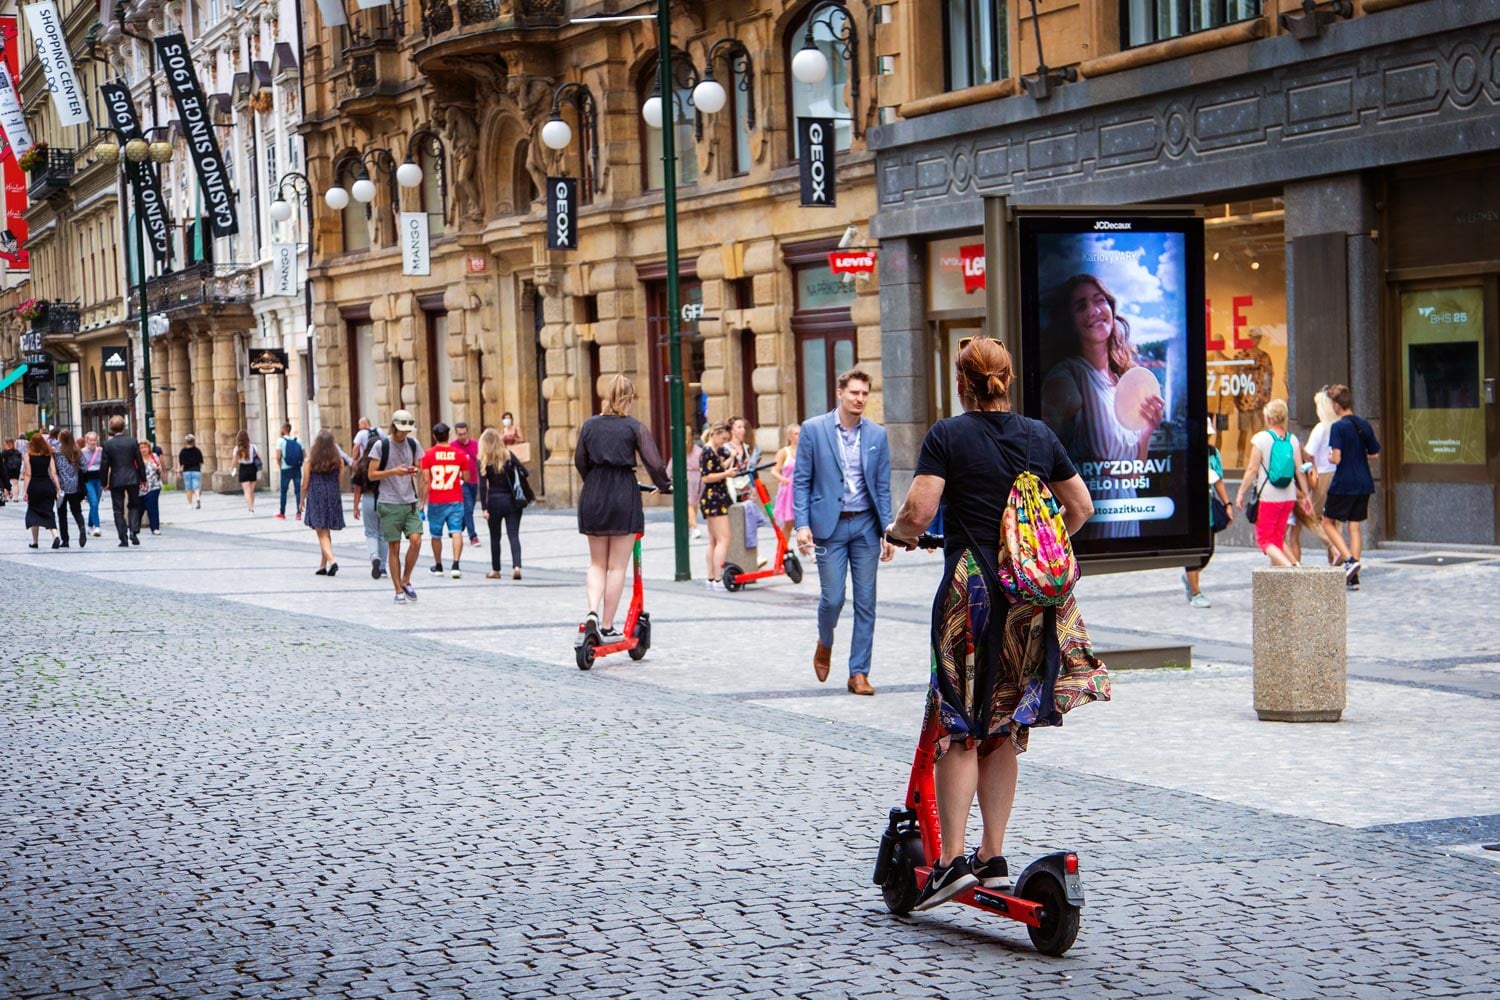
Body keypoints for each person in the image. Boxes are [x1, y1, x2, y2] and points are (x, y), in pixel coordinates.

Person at [885, 336, 1108, 909]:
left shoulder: (948, 435)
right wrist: (1031, 548)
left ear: (963, 383)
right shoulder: (1039, 436)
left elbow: (919, 511)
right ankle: (993, 852)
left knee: (960, 725)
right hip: (1029, 600)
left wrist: (897, 536)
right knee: (1004, 723)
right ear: (1007, 380)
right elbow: (1079, 508)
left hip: (973, 589)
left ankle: (951, 861)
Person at [793, 368, 894, 697]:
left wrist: (888, 531)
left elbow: (882, 488)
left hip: (865, 524)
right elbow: (802, 481)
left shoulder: (877, 435)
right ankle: (825, 641)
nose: (859, 399)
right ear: (840, 393)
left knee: (866, 602)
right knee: (833, 598)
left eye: (864, 393)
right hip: (828, 527)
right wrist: (802, 524)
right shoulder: (813, 430)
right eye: (854, 393)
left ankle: (859, 672)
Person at [1040, 275, 1166, 540]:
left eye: (1099, 301)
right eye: (1081, 306)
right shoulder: (1066, 376)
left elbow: (1133, 476)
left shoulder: (1121, 382)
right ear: (1070, 322)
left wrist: (1147, 431)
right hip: (1093, 510)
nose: (1094, 311)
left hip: (1125, 509)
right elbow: (1051, 456)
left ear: (1111, 307)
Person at [575, 375, 671, 639]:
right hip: (622, 493)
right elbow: (653, 462)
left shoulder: (589, 425)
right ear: (629, 399)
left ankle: (592, 612)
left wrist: (594, 482)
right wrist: (664, 484)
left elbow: (580, 460)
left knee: (597, 563)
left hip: (594, 491)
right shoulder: (633, 427)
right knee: (617, 566)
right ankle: (606, 625)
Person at [1234, 399, 1316, 569]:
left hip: (1269, 496)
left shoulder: (1261, 439)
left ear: (1268, 418)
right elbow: (1300, 470)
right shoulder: (1292, 440)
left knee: (1264, 540)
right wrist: (1306, 496)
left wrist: (1241, 492)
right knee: (1278, 539)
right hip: (1288, 497)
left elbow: (1252, 469)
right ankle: (1290, 569)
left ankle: (1291, 569)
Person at [1288, 389, 1355, 569]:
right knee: (1336, 518)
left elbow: (1309, 454)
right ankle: (1335, 560)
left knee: (1313, 517)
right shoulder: (1341, 425)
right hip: (1342, 473)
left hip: (1324, 475)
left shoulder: (1321, 428)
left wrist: (1301, 451)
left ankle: (1335, 547)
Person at [1323, 382, 1379, 591]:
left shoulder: (1338, 427)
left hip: (1343, 483)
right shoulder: (1363, 424)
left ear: (1336, 405)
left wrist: (1330, 455)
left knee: (1327, 522)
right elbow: (1374, 453)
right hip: (1364, 482)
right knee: (1354, 526)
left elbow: (1336, 458)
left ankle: (1348, 560)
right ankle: (1353, 577)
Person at [368, 410, 426, 604]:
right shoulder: (381, 445)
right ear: (393, 426)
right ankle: (397, 588)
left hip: (410, 501)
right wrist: (394, 471)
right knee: (394, 546)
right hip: (389, 502)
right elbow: (371, 474)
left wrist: (414, 470)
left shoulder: (413, 443)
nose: (404, 434)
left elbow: (419, 466)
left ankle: (406, 579)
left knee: (416, 540)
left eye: (407, 431)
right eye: (401, 430)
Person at [1184, 419, 1232, 608]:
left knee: (1208, 549)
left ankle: (1190, 578)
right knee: (1192, 552)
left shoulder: (1213, 453)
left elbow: (1218, 479)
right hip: (1190, 505)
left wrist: (1227, 503)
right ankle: (1195, 591)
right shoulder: (1186, 452)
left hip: (1208, 505)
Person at [421, 422, 469, 579]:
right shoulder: (460, 454)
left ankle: (439, 565)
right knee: (456, 531)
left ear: (434, 436)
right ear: (449, 435)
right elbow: (467, 477)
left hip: (436, 500)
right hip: (455, 498)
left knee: (436, 534)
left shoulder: (427, 455)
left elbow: (426, 480)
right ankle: (456, 565)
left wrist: (422, 503)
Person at [477, 427, 526, 580]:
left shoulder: (484, 460)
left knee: (495, 537)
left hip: (494, 501)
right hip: (512, 501)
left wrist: (484, 508)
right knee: (514, 536)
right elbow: (524, 471)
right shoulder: (508, 456)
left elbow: (483, 486)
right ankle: (517, 567)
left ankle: (496, 570)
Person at [299, 429, 347, 576]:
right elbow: (340, 479)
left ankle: (332, 561)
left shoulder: (310, 461)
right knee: (326, 531)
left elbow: (305, 483)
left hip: (317, 495)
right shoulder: (338, 460)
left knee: (321, 531)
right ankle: (322, 566)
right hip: (333, 494)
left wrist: (302, 500)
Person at [698, 423, 735, 588]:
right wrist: (726, 473)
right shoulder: (707, 451)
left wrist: (730, 459)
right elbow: (706, 477)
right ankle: (718, 578)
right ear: (714, 433)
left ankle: (712, 577)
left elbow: (716, 469)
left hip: (713, 497)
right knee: (724, 539)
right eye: (723, 438)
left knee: (714, 540)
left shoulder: (711, 451)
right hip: (715, 498)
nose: (724, 442)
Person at [100, 415, 146, 547]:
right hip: (132, 478)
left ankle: (123, 537)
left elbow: (104, 465)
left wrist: (103, 482)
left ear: (111, 429)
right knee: (134, 505)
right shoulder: (132, 442)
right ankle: (134, 531)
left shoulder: (108, 444)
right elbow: (139, 461)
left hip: (116, 479)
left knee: (118, 509)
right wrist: (143, 478)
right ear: (123, 427)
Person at [350, 439, 388, 580]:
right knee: (384, 535)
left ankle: (374, 556)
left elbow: (357, 489)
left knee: (371, 533)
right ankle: (383, 567)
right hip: (385, 499)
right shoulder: (385, 463)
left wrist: (355, 507)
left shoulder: (362, 464)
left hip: (368, 499)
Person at [21, 434, 62, 549]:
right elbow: (53, 473)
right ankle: (55, 536)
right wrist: (58, 488)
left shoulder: (28, 456)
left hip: (35, 487)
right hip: (47, 486)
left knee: (33, 512)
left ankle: (35, 541)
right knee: (48, 512)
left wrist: (25, 491)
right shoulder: (48, 455)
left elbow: (28, 474)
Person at [53, 429, 86, 548]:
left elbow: (54, 469)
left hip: (61, 488)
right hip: (74, 487)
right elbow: (85, 467)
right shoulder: (77, 452)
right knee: (77, 511)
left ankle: (65, 540)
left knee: (62, 514)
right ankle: (81, 527)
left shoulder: (57, 453)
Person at [452, 420, 481, 547]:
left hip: (474, 481)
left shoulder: (476, 444)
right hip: (461, 482)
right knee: (468, 508)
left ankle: (460, 525)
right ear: (456, 434)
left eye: (464, 434)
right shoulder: (453, 446)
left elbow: (480, 460)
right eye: (459, 434)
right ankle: (473, 536)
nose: (462, 437)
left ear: (467, 432)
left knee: (469, 508)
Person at [772, 424, 800, 542]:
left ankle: (810, 549)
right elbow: (774, 470)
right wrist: (783, 479)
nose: (799, 436)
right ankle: (783, 549)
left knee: (807, 523)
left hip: (801, 488)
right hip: (788, 490)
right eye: (796, 433)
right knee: (788, 523)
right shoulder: (784, 452)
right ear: (789, 436)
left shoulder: (806, 450)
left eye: (800, 433)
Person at [275, 423, 304, 520]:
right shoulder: (298, 440)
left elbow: (278, 456)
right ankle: (298, 513)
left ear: (283, 429)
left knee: (283, 491)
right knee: (297, 491)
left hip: (285, 468)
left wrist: (280, 466)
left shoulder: (280, 441)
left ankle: (282, 513)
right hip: (296, 468)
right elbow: (304, 454)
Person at [80, 431, 104, 533]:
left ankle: (90, 524)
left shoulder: (101, 451)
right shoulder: (82, 452)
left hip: (98, 478)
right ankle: (97, 526)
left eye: (94, 440)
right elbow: (80, 466)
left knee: (96, 503)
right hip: (88, 479)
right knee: (93, 502)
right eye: (91, 440)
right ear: (87, 441)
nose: (93, 442)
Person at [137, 440, 163, 535]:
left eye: (145, 447)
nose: (143, 449)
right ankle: (136, 527)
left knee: (152, 506)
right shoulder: (137, 459)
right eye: (141, 448)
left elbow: (159, 466)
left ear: (149, 448)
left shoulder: (154, 456)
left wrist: (159, 469)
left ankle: (155, 527)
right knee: (140, 507)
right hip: (141, 487)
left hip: (154, 485)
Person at [232, 430, 261, 513]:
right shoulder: (253, 446)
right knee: (251, 491)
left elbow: (234, 460)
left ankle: (250, 508)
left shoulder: (237, 449)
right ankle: (251, 506)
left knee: (246, 491)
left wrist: (232, 467)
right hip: (252, 468)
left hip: (243, 469)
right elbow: (259, 457)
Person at [178, 433, 204, 510]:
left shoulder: (182, 451)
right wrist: (199, 468)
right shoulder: (197, 450)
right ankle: (198, 498)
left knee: (188, 488)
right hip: (196, 470)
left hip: (187, 471)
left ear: (186, 441)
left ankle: (190, 504)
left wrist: (179, 472)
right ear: (194, 441)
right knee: (196, 487)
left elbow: (181, 464)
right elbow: (201, 462)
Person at [0, 437, 21, 503]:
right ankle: (16, 498)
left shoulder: (4, 452)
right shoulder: (17, 452)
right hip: (15, 469)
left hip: (6, 469)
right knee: (15, 483)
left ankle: (6, 498)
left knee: (6, 482)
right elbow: (20, 461)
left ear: (6, 443)